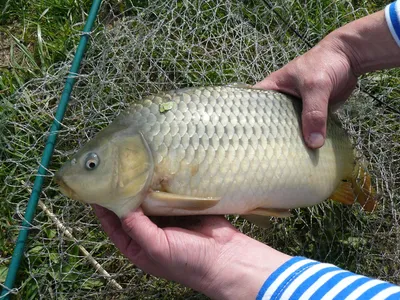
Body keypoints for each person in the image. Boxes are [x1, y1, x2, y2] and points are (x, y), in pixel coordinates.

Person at [94, 2, 400, 299]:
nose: (92, 168)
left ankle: (347, 174)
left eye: (93, 164)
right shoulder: (140, 127)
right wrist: (346, 50)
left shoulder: (144, 133)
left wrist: (221, 267)